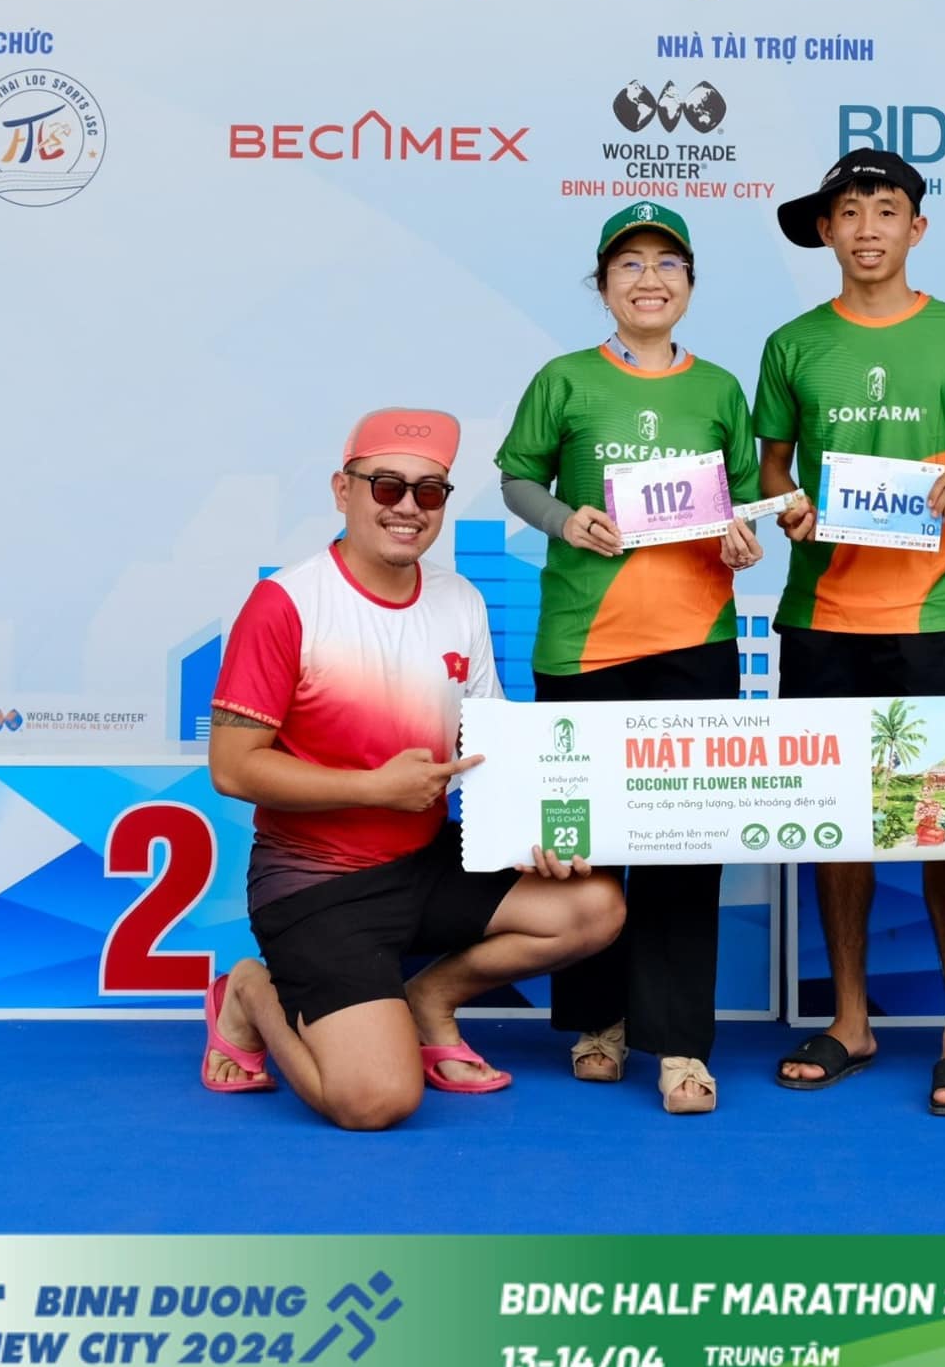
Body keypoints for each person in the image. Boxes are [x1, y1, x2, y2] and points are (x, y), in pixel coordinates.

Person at [198, 407, 625, 1131]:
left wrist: (535, 836)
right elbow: (233, 770)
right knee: (375, 1102)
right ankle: (248, 992)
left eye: (429, 492)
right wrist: (374, 788)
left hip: (424, 864)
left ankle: (431, 998)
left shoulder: (460, 600)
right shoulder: (286, 604)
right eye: (387, 486)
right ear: (343, 490)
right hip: (318, 886)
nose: (408, 507)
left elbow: (490, 747)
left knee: (594, 906)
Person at [755, 150, 945, 1113]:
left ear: (917, 228)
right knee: (839, 819)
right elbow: (772, 467)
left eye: (885, 209)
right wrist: (787, 504)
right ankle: (851, 1019)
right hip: (820, 616)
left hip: (925, 619)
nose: (866, 227)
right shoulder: (792, 345)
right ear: (824, 231)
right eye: (848, 211)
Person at [496, 203, 763, 1114]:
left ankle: (681, 1046)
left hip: (697, 645)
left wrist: (740, 540)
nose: (650, 280)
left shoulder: (720, 389)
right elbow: (517, 477)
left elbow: (743, 504)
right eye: (630, 265)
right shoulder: (565, 379)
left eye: (667, 264)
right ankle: (597, 1023)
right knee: (586, 845)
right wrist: (563, 518)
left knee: (687, 847)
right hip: (583, 645)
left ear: (690, 283)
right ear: (603, 285)